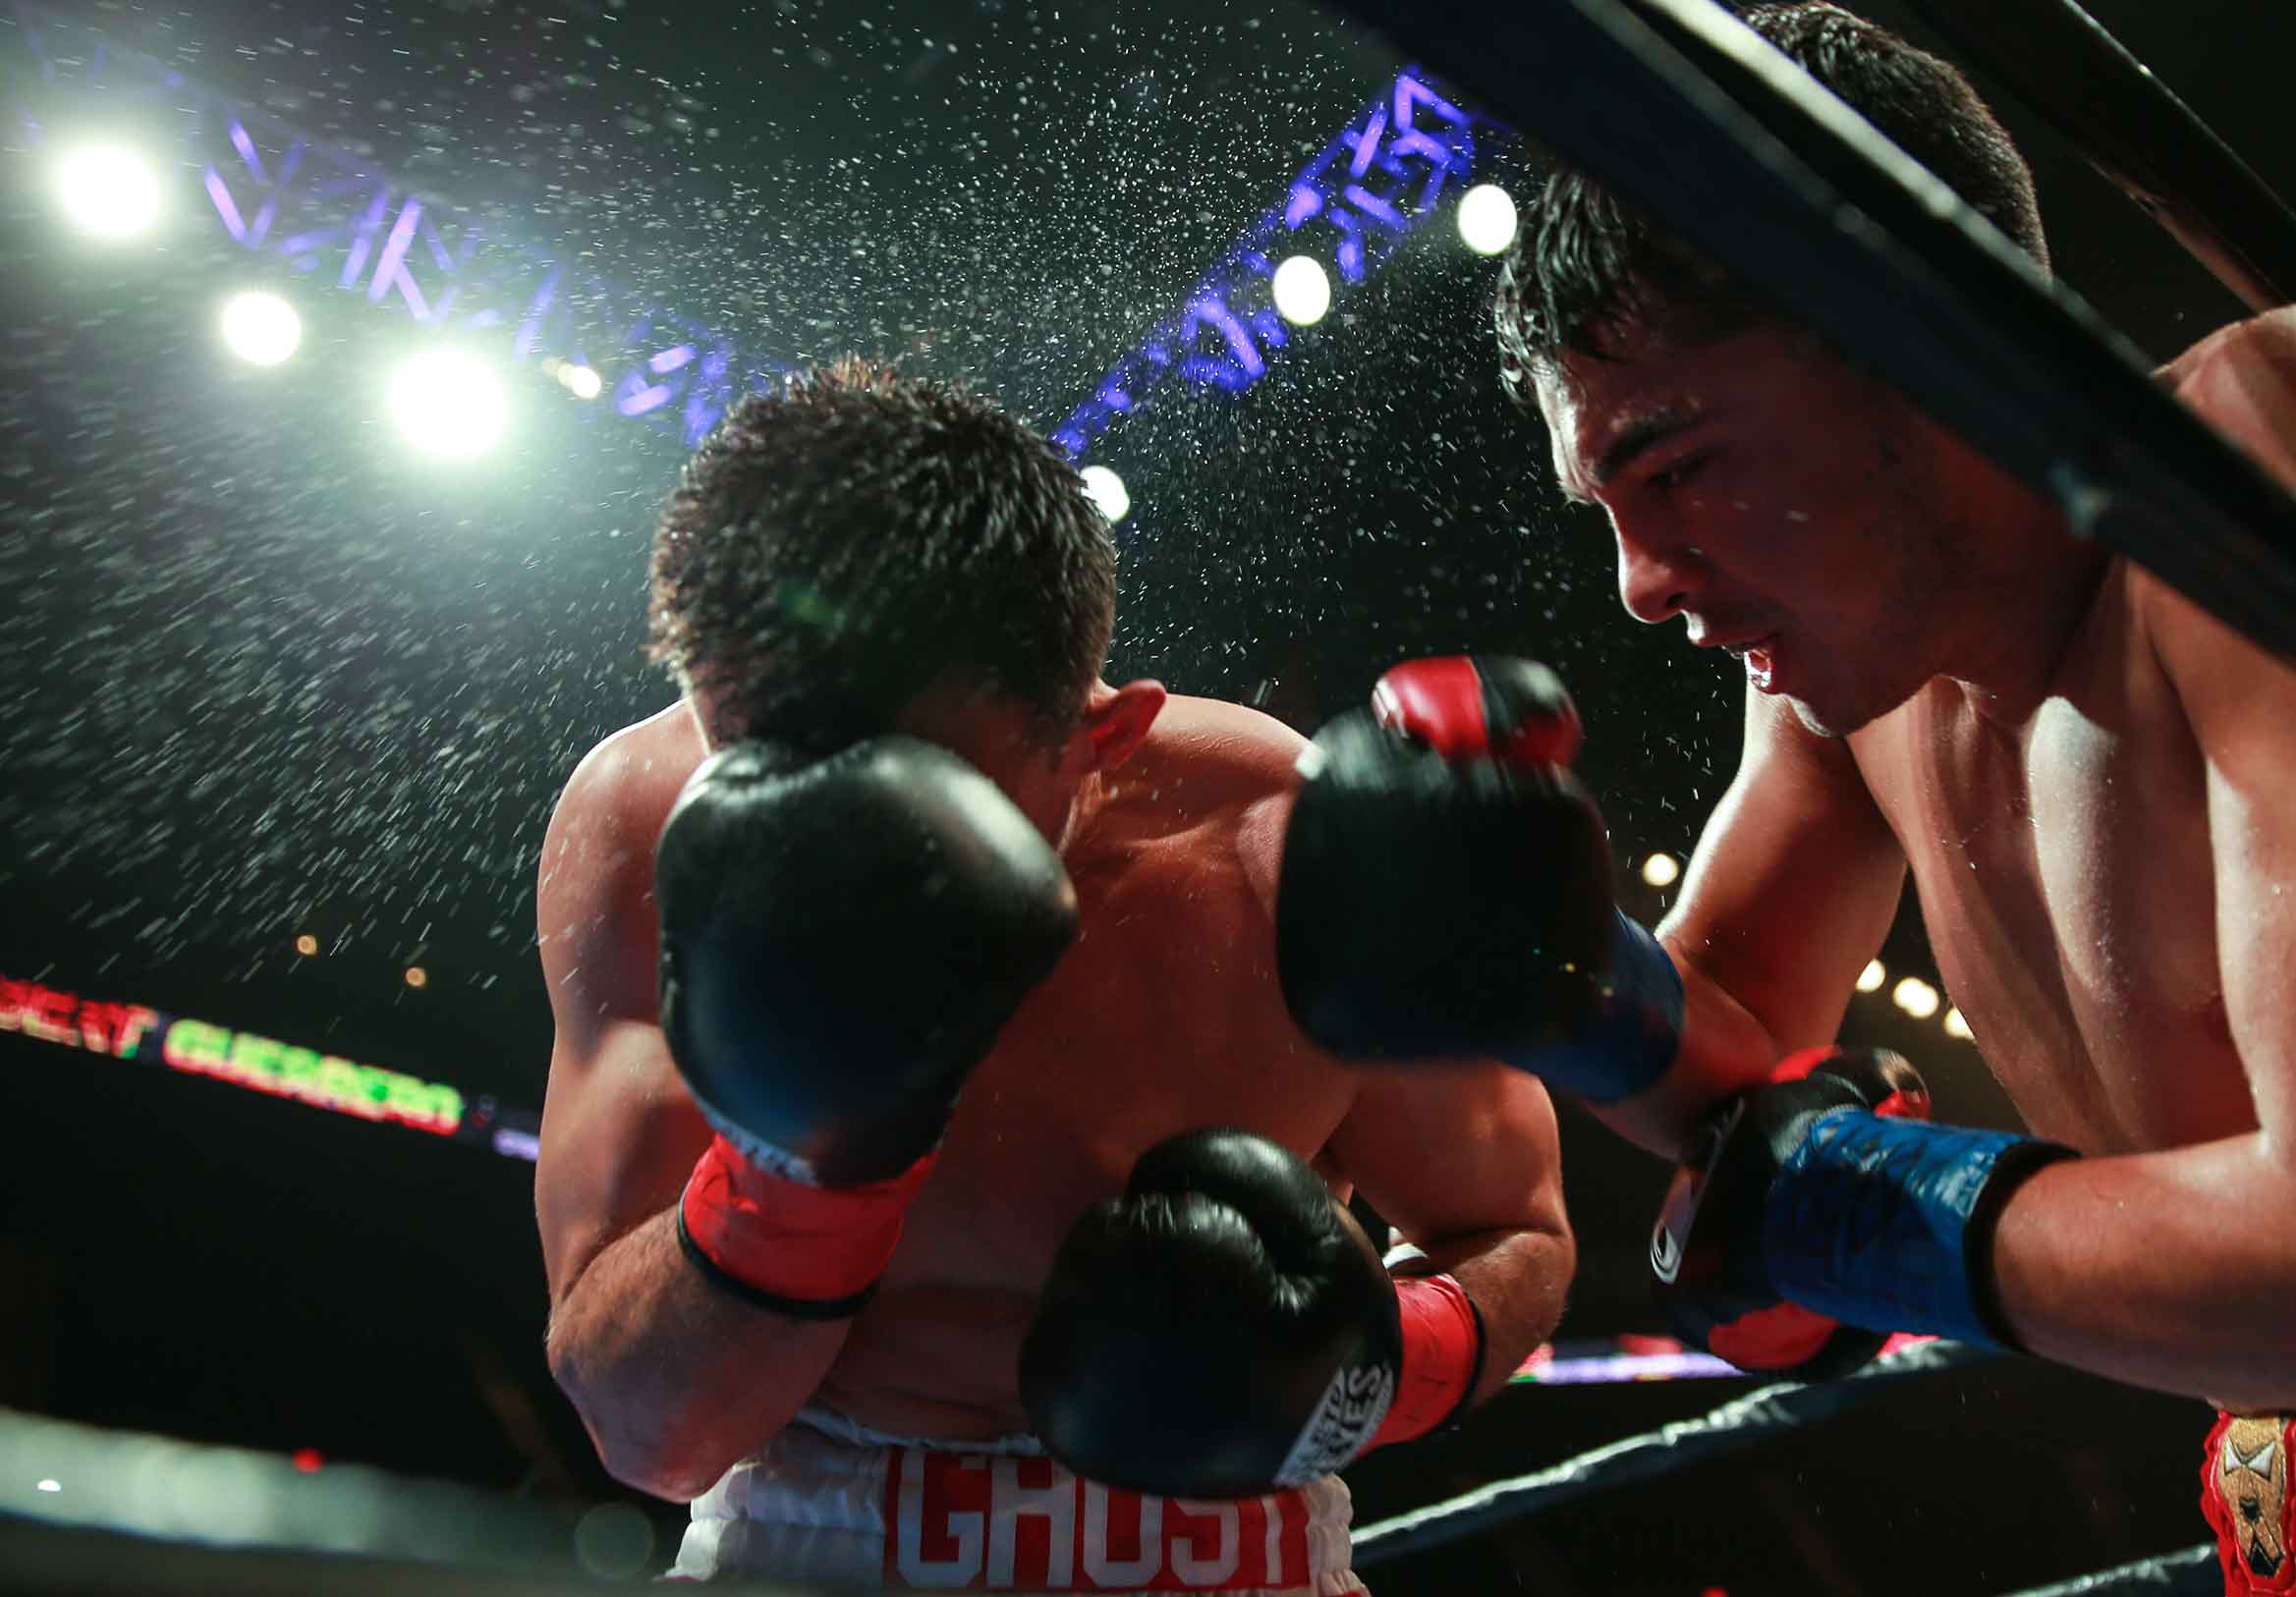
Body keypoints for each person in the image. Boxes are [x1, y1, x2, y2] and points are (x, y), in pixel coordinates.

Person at [1292, 5, 2296, 1590]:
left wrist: (1875, 1213)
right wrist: (1554, 964)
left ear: (1912, 327)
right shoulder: (1859, 694)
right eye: (1606, 506)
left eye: (1677, 467)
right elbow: (1733, 1048)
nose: (1639, 584)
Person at [532, 358, 1573, 1591]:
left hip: (1225, 1553)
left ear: (1100, 737)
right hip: (803, 1540)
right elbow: (649, 1436)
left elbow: (1515, 1225)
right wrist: (797, 1170)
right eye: (762, 766)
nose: (844, 842)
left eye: (930, 796)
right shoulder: (642, 824)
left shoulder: (1283, 845)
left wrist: (1370, 1370)